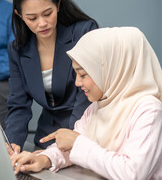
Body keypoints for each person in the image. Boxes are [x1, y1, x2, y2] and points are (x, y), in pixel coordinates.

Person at [11, 27, 162, 179]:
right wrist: (44, 159)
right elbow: (71, 147)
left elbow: (132, 174)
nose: (77, 82)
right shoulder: (97, 107)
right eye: (75, 74)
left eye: (83, 74)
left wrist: (77, 142)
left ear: (110, 69)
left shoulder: (149, 110)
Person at [5, 0, 98, 150]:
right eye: (32, 18)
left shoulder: (83, 32)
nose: (42, 23)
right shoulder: (17, 50)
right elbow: (18, 104)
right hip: (45, 138)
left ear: (58, 4)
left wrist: (65, 146)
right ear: (19, 15)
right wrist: (12, 144)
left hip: (83, 135)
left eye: (47, 13)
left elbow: (86, 96)